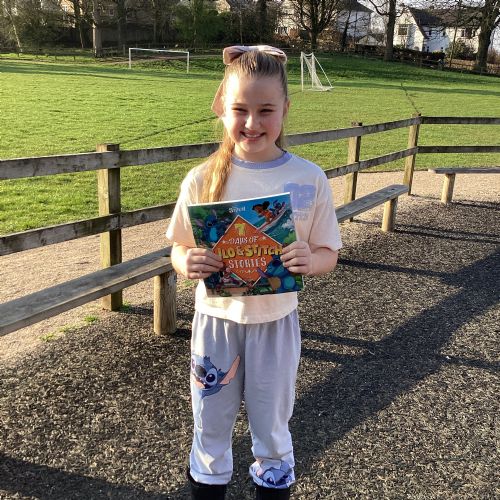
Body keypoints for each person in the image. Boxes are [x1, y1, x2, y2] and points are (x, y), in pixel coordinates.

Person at [166, 45, 342, 500]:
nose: (252, 122)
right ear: (222, 108)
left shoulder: (308, 178)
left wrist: (311, 260)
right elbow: (179, 247)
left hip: (276, 325)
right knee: (209, 429)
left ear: (285, 109)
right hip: (216, 324)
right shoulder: (202, 178)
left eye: (266, 110)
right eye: (240, 109)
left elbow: (328, 253)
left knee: (272, 430)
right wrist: (187, 261)